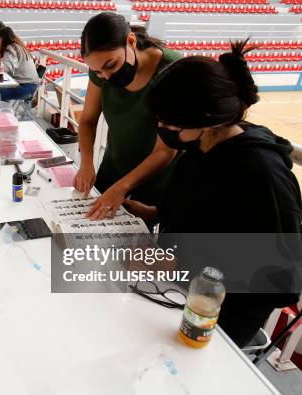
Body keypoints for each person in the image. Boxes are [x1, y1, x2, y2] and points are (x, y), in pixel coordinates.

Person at [124, 41, 302, 346]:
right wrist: (154, 212)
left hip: (215, 319)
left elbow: (281, 281)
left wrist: (179, 266)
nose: (162, 129)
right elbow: (207, 212)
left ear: (205, 120)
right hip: (172, 287)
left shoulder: (263, 175)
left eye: (169, 123)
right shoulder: (200, 146)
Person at [74, 13, 181, 221]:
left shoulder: (172, 69)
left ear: (130, 41)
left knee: (136, 245)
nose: (105, 77)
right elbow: (87, 120)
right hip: (114, 167)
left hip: (154, 179)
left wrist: (122, 187)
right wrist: (86, 162)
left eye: (110, 65)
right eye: (97, 72)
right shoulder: (101, 70)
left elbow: (165, 151)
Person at [0, 27, 40, 103]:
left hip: (25, 87)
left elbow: (5, 68)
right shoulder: (19, 46)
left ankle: (0, 112)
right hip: (31, 85)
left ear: (2, 39)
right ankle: (4, 109)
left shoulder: (11, 48)